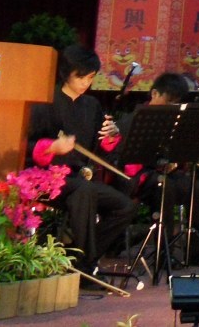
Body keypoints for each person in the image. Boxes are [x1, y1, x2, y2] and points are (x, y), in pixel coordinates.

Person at [26, 45, 137, 277]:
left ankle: (79, 258)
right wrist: (51, 147)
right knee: (84, 190)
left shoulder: (91, 105)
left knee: (125, 206)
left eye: (90, 77)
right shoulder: (45, 100)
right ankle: (86, 267)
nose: (86, 82)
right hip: (47, 178)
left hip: (78, 178)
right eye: (81, 77)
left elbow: (99, 149)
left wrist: (110, 136)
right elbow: (26, 144)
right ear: (66, 73)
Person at [115, 72, 199, 265]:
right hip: (139, 177)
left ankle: (194, 253)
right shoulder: (133, 119)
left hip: (162, 173)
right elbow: (124, 159)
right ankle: (164, 254)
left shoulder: (175, 120)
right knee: (166, 188)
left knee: (197, 189)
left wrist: (175, 160)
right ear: (154, 93)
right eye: (168, 101)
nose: (171, 106)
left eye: (175, 103)